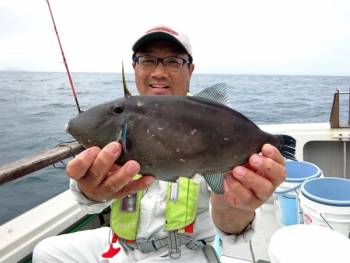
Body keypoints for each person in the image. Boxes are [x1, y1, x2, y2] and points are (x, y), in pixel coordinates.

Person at [33, 25, 286, 263]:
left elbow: (230, 228)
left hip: (185, 252)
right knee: (46, 252)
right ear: (135, 67)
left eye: (173, 61)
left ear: (190, 70)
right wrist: (90, 191)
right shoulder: (121, 121)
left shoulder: (217, 126)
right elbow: (87, 201)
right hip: (121, 246)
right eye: (148, 60)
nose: (158, 72)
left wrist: (236, 206)